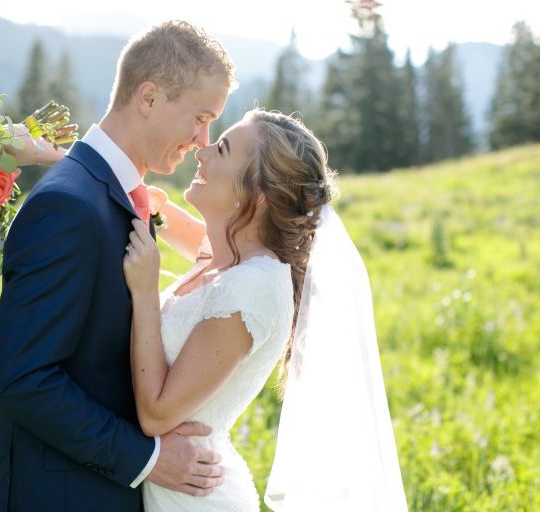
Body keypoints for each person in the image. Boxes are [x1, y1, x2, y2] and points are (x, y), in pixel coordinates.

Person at [0, 21, 237, 511]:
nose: (203, 140)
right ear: (149, 98)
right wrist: (148, 460)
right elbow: (23, 379)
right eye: (200, 118)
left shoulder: (118, 193)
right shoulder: (66, 206)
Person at [122, 109, 408, 511]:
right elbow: (171, 221)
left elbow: (156, 415)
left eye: (222, 149)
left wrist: (145, 294)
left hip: (195, 498)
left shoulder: (250, 289)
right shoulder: (230, 253)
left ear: (255, 195)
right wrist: (74, 163)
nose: (202, 152)